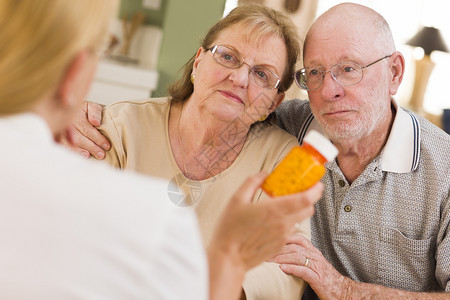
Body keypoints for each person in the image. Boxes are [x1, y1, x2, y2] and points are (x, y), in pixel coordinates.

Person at [0, 1, 324, 300]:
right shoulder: (123, 123)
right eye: (228, 56)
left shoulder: (286, 158)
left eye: (262, 74)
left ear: (275, 102)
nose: (239, 77)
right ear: (198, 62)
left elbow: (286, 267)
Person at [269, 3, 450, 298]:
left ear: (394, 73)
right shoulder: (287, 128)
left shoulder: (445, 170)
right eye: (315, 72)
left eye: (349, 69)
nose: (329, 91)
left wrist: (342, 289)